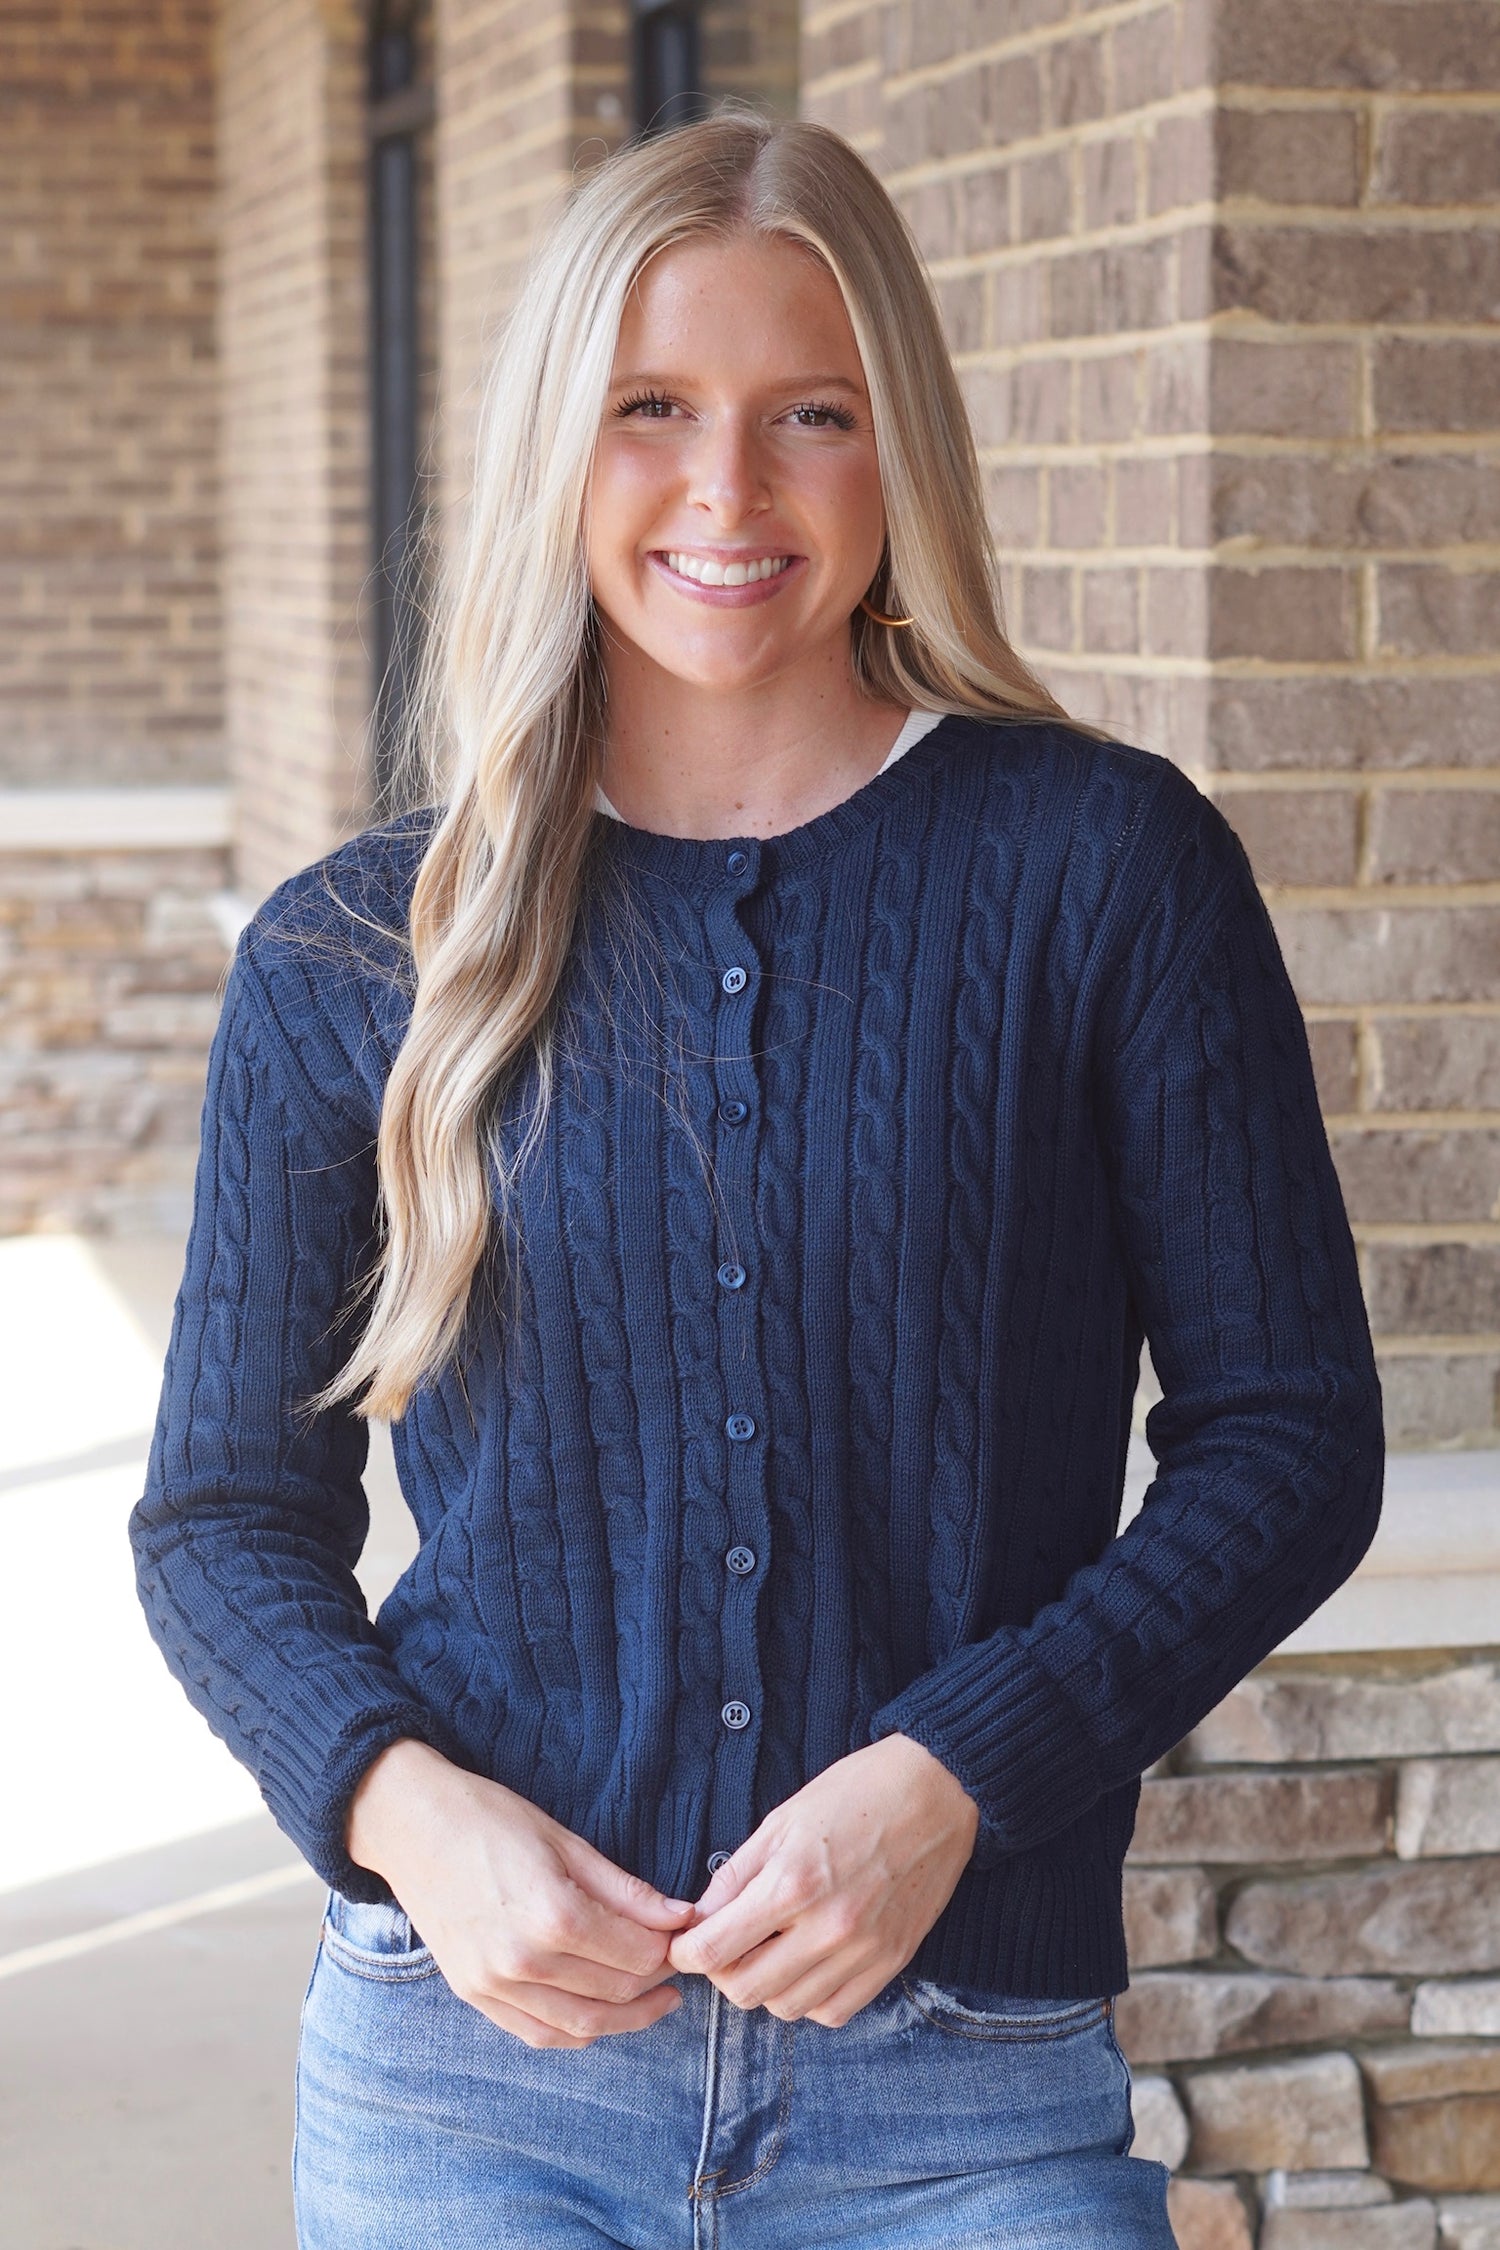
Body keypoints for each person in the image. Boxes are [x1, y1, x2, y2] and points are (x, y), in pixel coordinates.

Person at [131, 113, 1384, 2249]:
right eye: (653, 414)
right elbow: (223, 1522)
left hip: (963, 2094)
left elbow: (1290, 1442)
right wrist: (411, 1819)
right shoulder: (358, 956)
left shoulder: (1104, 872)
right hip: (476, 2081)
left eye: (813, 413)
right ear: (559, 450)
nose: (729, 492)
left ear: (901, 451)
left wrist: (952, 1784)